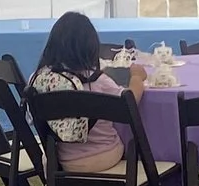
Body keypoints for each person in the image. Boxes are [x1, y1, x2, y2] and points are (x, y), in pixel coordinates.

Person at [26, 11, 129, 174]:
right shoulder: (98, 81)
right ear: (91, 46)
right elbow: (128, 103)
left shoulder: (38, 78)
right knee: (128, 148)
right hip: (104, 156)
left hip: (61, 160)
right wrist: (137, 79)